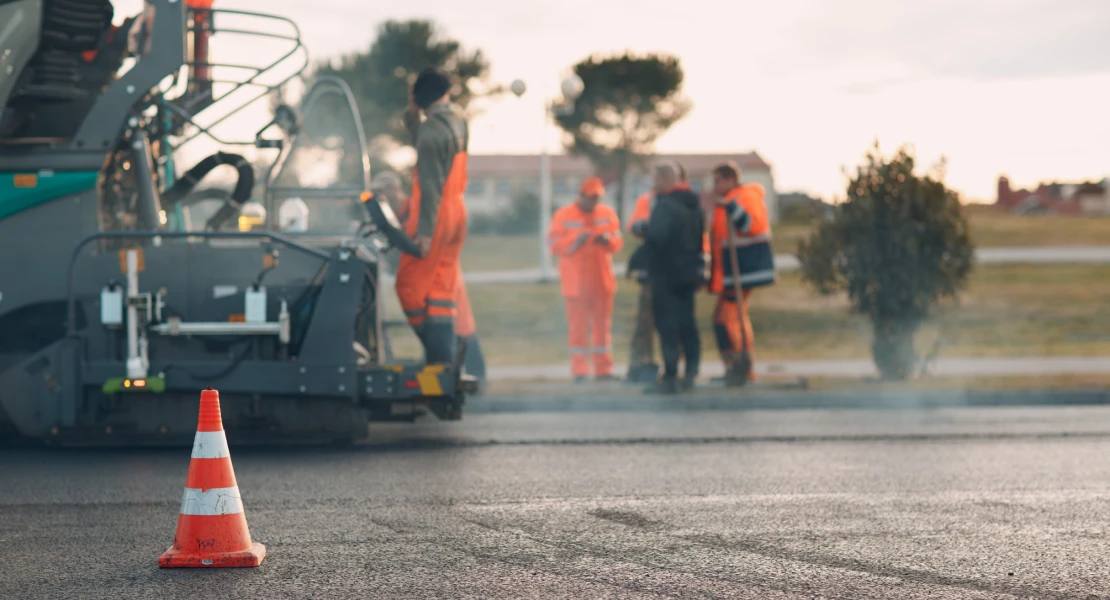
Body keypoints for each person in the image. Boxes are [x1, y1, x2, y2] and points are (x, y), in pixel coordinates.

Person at [371, 170, 487, 386]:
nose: (380, 198)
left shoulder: (415, 212)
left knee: (460, 326)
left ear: (394, 190)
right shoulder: (396, 217)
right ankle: (441, 367)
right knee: (436, 327)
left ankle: (476, 375)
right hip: (426, 279)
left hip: (440, 276)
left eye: (381, 192)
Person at [394, 67, 470, 364]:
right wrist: (414, 115)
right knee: (440, 287)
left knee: (409, 286)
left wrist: (425, 233)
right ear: (446, 93)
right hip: (457, 212)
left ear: (417, 97)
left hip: (434, 215)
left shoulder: (430, 131)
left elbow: (429, 185)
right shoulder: (458, 120)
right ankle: (448, 353)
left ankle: (440, 354)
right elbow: (429, 148)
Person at [632, 162, 705, 394]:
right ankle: (691, 373)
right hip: (689, 273)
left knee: (667, 326)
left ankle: (671, 376)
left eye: (655, 179)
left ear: (665, 179)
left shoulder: (665, 204)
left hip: (666, 274)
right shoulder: (693, 204)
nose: (653, 184)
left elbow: (656, 237)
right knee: (688, 324)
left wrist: (637, 256)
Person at [547, 177, 623, 382]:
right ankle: (579, 370)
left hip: (601, 280)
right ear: (581, 196)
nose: (594, 202)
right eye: (591, 198)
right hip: (576, 283)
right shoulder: (563, 215)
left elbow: (617, 241)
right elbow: (553, 244)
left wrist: (608, 240)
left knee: (602, 328)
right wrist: (576, 240)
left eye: (597, 198)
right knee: (578, 328)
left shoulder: (607, 214)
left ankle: (603, 369)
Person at [708, 161, 775, 386]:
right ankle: (732, 365)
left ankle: (743, 366)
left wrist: (731, 208)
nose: (714, 186)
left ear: (731, 179)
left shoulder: (745, 197)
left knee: (730, 318)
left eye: (718, 181)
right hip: (732, 271)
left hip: (745, 269)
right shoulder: (729, 199)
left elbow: (751, 226)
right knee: (721, 318)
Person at [623, 191, 659, 383]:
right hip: (649, 276)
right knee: (644, 322)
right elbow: (635, 228)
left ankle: (674, 368)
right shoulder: (648, 200)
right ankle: (639, 364)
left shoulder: (678, 204)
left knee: (669, 325)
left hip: (669, 277)